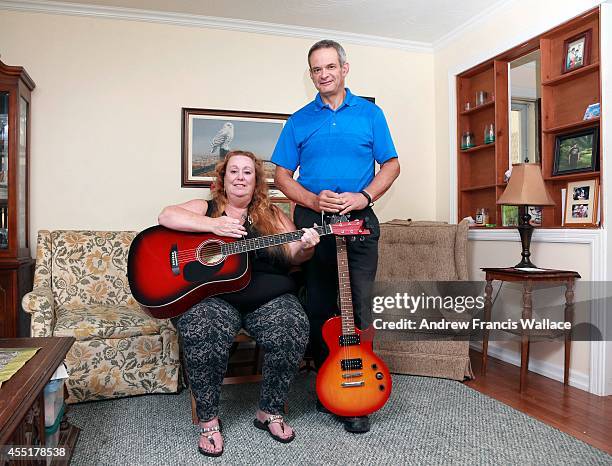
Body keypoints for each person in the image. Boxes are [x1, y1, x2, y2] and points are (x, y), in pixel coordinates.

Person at [271, 39, 400, 433]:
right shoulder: (298, 120)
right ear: (310, 74)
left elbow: (391, 165)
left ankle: (357, 395)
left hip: (358, 222)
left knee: (358, 307)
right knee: (320, 306)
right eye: (316, 69)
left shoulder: (370, 114)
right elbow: (280, 176)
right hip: (314, 222)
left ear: (345, 69)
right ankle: (330, 387)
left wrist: (363, 196)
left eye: (330, 66)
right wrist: (312, 197)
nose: (323, 74)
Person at [158, 150, 320, 457]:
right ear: (222, 177)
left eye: (248, 172)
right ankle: (208, 420)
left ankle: (269, 412)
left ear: (256, 180)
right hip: (216, 299)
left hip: (267, 299)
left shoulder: (272, 214)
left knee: (293, 324)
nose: (240, 177)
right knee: (200, 325)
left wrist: (306, 247)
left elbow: (293, 254)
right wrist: (213, 227)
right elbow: (166, 215)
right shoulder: (206, 208)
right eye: (234, 171)